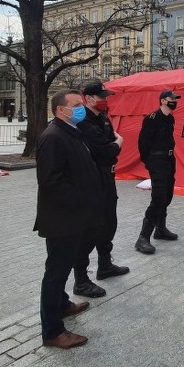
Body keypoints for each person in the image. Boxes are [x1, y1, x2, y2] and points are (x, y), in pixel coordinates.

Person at [34, 89, 102, 349]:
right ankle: (52, 331)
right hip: (62, 218)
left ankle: (62, 305)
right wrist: (81, 199)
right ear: (60, 110)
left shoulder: (71, 132)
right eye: (76, 105)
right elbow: (51, 182)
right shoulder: (53, 137)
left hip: (73, 216)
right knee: (56, 272)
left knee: (61, 268)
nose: (81, 108)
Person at [72, 80, 129, 300]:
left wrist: (113, 145)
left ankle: (105, 265)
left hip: (107, 177)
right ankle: (81, 280)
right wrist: (118, 142)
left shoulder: (103, 117)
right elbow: (106, 150)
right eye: (101, 97)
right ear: (88, 98)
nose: (105, 100)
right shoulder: (83, 121)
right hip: (92, 179)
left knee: (108, 222)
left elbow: (109, 145)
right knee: (89, 228)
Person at [135, 89, 181, 254]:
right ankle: (143, 238)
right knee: (158, 198)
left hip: (169, 160)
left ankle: (160, 229)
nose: (174, 101)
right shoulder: (152, 119)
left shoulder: (170, 118)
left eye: (175, 99)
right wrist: (149, 162)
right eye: (171, 98)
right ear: (163, 100)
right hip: (157, 161)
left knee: (167, 195)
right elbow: (143, 143)